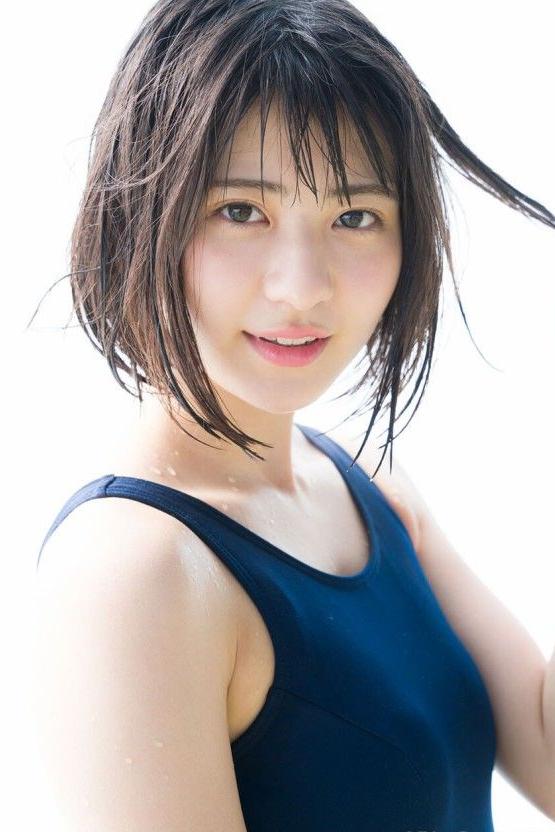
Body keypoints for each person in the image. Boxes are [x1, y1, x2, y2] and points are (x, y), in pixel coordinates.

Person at [31, 1, 555, 830]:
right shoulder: (137, 573)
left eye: (355, 217)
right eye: (241, 210)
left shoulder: (368, 489)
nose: (301, 287)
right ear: (139, 215)